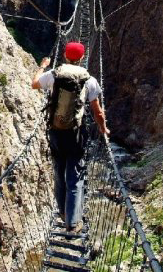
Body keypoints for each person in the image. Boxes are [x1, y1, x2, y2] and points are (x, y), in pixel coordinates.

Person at [31, 42, 110, 233]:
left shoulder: (54, 74)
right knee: (75, 176)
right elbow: (97, 111)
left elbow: (34, 84)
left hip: (56, 132)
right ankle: (73, 223)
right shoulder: (89, 80)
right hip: (76, 133)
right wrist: (103, 128)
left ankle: (63, 213)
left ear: (65, 56)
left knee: (59, 173)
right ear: (82, 58)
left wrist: (42, 66)